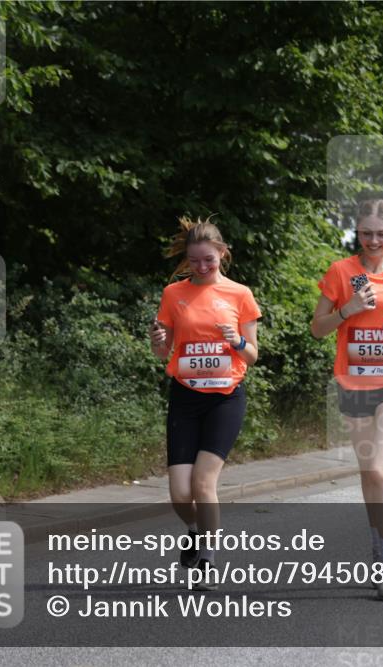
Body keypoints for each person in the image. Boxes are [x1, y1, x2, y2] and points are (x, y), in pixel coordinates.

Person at [311, 199, 383, 600]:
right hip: (353, 381)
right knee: (368, 474)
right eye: (366, 233)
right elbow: (317, 329)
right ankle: (379, 550)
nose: (373, 240)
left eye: (382, 233)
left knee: (379, 468)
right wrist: (347, 310)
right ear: (357, 234)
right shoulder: (341, 272)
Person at [150, 216, 261, 589]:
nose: (202, 267)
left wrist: (237, 342)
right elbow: (164, 351)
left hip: (226, 397)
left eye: (209, 261)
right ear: (186, 259)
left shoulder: (240, 294)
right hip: (185, 396)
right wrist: (157, 340)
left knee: (202, 483)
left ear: (222, 254)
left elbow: (253, 356)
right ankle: (196, 531)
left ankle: (208, 559)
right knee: (180, 493)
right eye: (195, 261)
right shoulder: (173, 294)